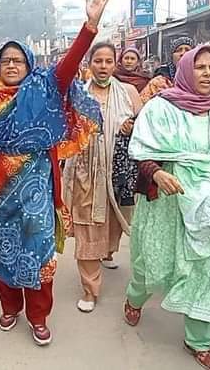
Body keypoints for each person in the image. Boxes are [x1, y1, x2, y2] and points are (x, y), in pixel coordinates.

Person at [0, 0, 109, 346]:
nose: (12, 65)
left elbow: (69, 65)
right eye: (6, 60)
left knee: (39, 255)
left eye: (18, 60)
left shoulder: (45, 88)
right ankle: (9, 307)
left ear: (29, 63)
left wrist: (90, 27)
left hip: (38, 192)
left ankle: (38, 316)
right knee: (1, 252)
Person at [125, 45, 210, 370]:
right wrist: (158, 174)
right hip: (166, 199)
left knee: (204, 269)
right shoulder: (160, 107)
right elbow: (141, 151)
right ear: (186, 70)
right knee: (153, 259)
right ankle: (135, 297)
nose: (207, 73)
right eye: (200, 67)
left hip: (206, 202)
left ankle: (199, 340)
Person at [62, 42, 140, 313]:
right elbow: (65, 129)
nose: (103, 66)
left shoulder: (128, 92)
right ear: (89, 63)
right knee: (88, 227)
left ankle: (106, 252)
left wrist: (130, 127)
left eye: (108, 61)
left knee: (112, 222)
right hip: (85, 173)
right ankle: (90, 289)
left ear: (115, 64)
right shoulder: (78, 94)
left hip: (118, 174)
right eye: (98, 61)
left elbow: (144, 126)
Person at [139, 36, 195, 103]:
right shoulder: (159, 82)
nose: (183, 53)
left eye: (187, 50)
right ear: (171, 57)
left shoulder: (200, 80)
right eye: (178, 50)